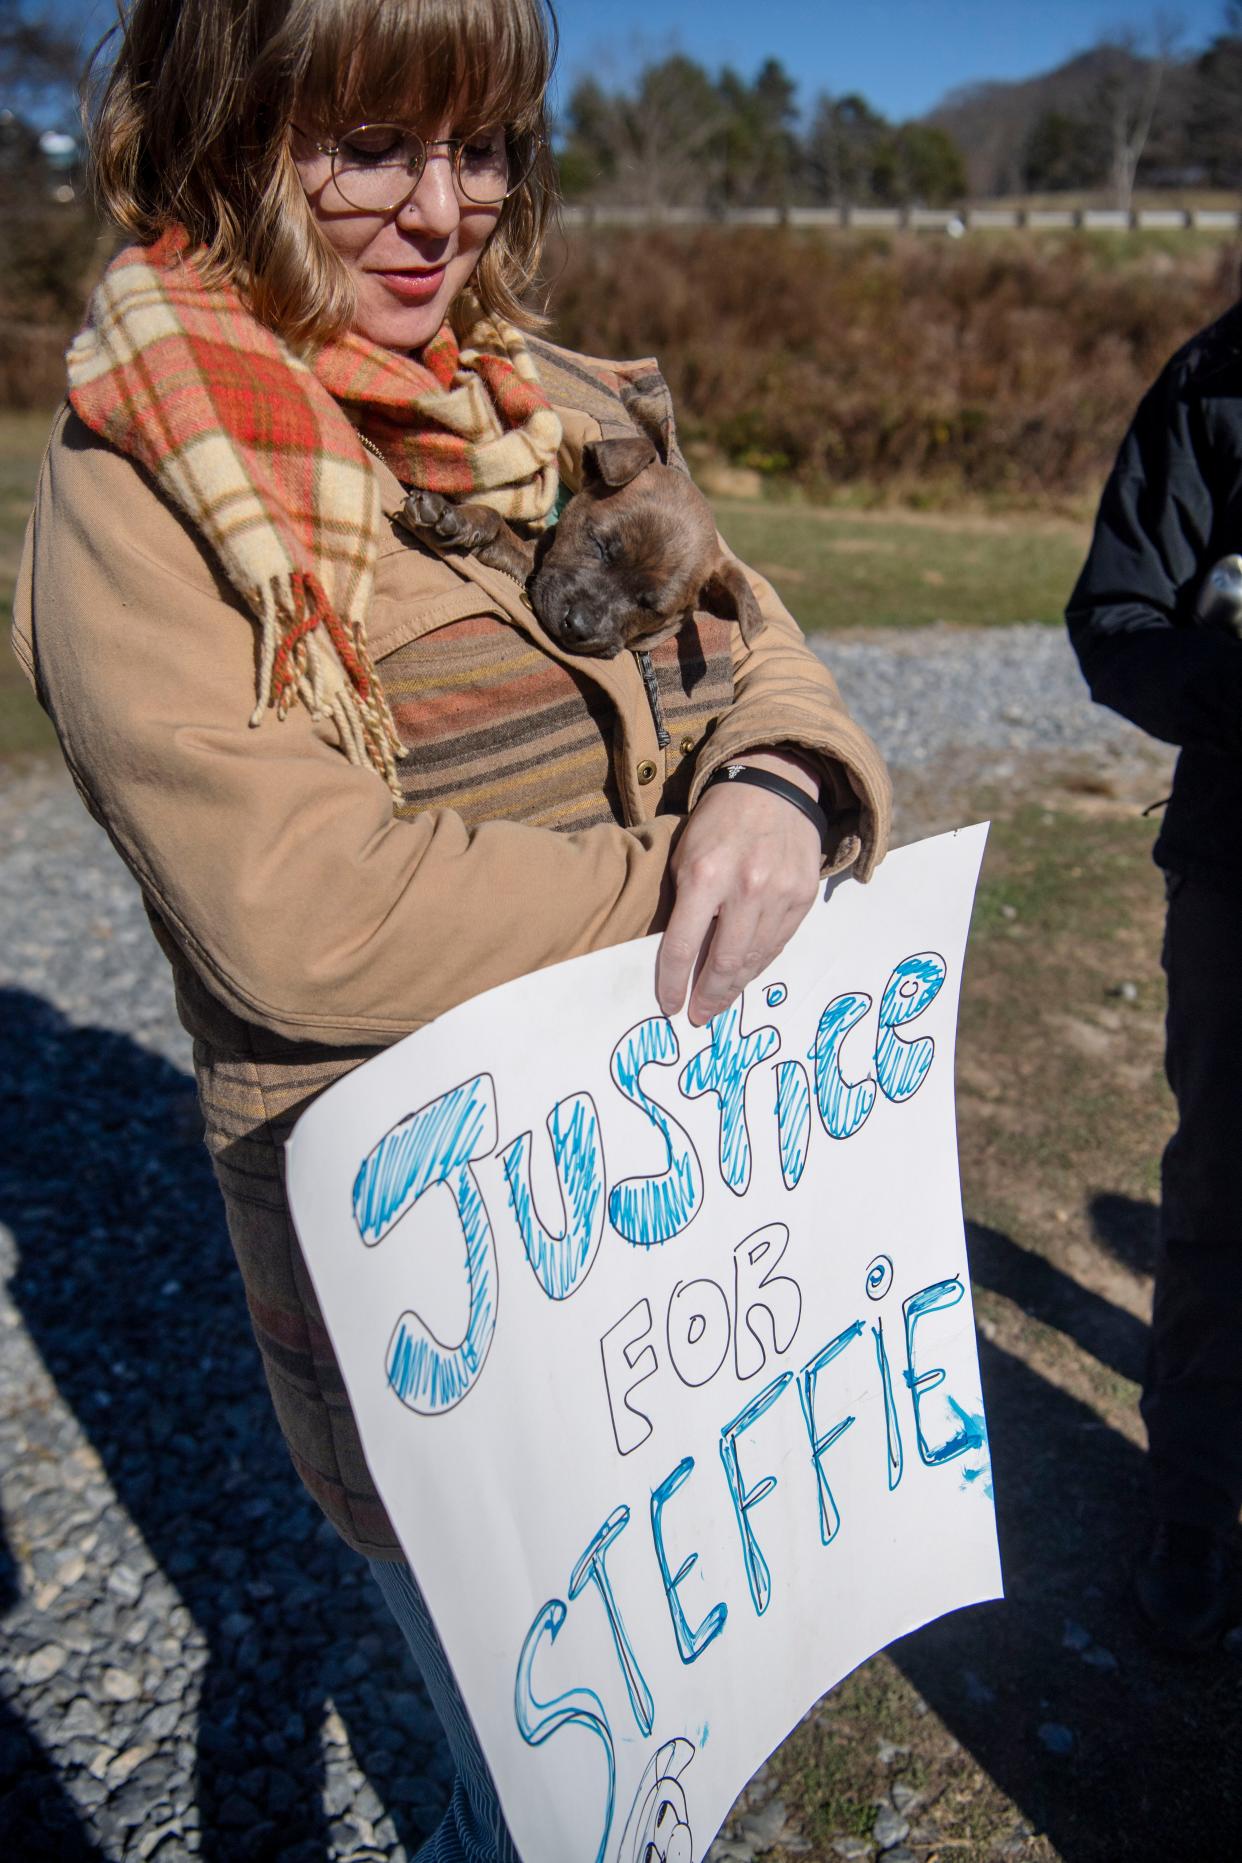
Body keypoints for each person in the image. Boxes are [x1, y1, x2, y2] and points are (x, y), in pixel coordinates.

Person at [13, 0, 890, 1853]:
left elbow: (754, 644)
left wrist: (782, 790)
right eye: (370, 145)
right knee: (547, 1770)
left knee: (700, 1688)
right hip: (449, 1267)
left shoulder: (552, 402)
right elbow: (303, 922)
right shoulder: (139, 484)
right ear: (229, 127)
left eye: (480, 145)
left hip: (698, 1191)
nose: (441, 210)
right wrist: (696, 905)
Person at [1067, 305, 1242, 1654]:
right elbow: (1114, 618)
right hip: (1239, 870)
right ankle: (1191, 1499)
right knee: (1221, 1200)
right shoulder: (1215, 379)